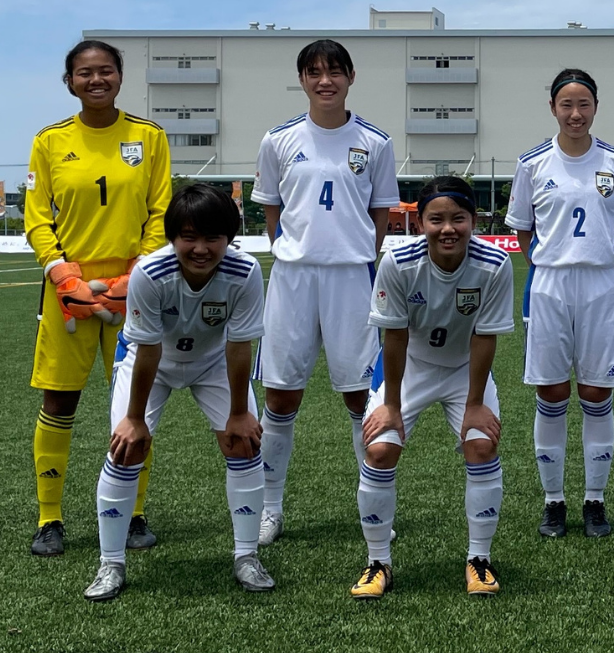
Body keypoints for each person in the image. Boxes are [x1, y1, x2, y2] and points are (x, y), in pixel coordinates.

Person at [83, 184, 272, 600]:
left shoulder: (245, 272)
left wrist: (239, 413)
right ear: (172, 237)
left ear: (229, 238)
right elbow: (149, 349)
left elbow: (239, 345)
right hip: (150, 362)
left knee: (243, 443)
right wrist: (134, 419)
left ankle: (246, 556)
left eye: (213, 238)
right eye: (189, 237)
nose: (201, 249)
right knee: (126, 449)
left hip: (213, 361)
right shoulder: (150, 273)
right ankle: (111, 563)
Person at [25, 40, 172, 556]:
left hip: (133, 293)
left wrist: (139, 273)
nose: (96, 80)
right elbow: (37, 217)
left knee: (135, 403)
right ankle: (49, 518)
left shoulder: (149, 137)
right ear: (69, 81)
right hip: (68, 295)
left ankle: (133, 513)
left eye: (105, 71)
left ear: (120, 77)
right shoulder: (49, 141)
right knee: (59, 400)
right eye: (84, 73)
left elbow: (161, 211)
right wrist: (61, 274)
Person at [251, 39, 400, 545]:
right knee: (280, 395)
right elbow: (272, 209)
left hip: (352, 277)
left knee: (361, 396)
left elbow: (380, 212)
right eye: (314, 72)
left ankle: (373, 508)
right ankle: (270, 509)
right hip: (293, 278)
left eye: (334, 71)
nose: (325, 81)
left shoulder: (375, 142)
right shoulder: (278, 139)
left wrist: (355, 253)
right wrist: (295, 249)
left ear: (351, 77)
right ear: (302, 80)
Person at [352, 178, 514, 599]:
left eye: (458, 219)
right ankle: (377, 562)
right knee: (380, 449)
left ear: (473, 220)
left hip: (465, 369)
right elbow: (394, 336)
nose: (448, 229)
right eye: (436, 219)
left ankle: (479, 560)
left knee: (481, 445)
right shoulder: (399, 263)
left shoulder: (495, 264)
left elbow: (485, 336)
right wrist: (390, 405)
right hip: (410, 367)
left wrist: (475, 404)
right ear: (420, 222)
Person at [506, 68, 614, 539]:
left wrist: (609, 262)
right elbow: (523, 230)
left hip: (600, 286)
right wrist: (550, 261)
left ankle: (595, 500)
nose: (575, 113)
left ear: (596, 107)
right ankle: (553, 501)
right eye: (566, 104)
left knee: (597, 393)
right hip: (548, 285)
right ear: (553, 108)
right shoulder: (532, 164)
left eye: (584, 104)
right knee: (551, 393)